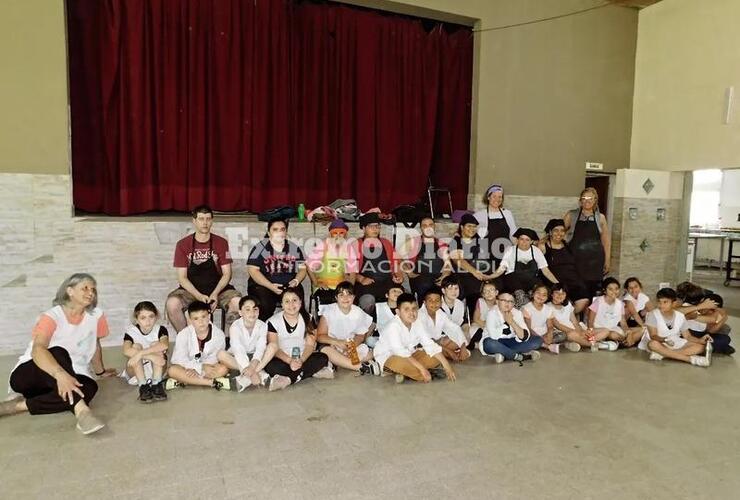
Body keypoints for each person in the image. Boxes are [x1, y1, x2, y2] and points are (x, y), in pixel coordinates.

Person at [2, 274, 116, 435]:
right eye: (85, 288)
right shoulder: (52, 316)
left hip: (71, 373)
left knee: (89, 387)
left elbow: (95, 343)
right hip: (31, 375)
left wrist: (100, 372)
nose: (91, 292)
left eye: (93, 289)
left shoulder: (96, 315)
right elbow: (38, 349)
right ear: (70, 291)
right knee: (58, 352)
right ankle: (82, 412)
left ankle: (19, 405)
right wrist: (60, 375)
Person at [166, 205, 242, 335]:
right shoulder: (182, 244)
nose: (205, 223)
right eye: (201, 219)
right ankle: (186, 339)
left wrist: (215, 294)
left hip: (219, 288)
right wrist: (198, 296)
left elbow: (227, 274)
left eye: (208, 219)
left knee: (237, 302)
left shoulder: (222, 243)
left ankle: (228, 342)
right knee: (172, 304)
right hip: (190, 290)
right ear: (194, 221)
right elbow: (182, 278)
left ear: (212, 220)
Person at [372, 293, 456, 383]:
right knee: (402, 365)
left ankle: (406, 374)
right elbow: (400, 351)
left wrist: (447, 366)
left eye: (414, 309)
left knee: (435, 358)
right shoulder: (393, 326)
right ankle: (421, 373)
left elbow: (429, 344)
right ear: (398, 312)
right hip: (389, 357)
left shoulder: (417, 322)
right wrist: (422, 369)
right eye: (406, 309)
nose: (412, 313)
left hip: (410, 355)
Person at [263, 288, 332, 391]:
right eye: (287, 301)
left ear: (300, 302)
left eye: (294, 300)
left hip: (303, 357)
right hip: (283, 358)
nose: (291, 304)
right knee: (270, 366)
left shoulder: (308, 318)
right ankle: (308, 373)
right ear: (282, 304)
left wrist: (301, 360)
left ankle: (288, 379)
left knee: (322, 358)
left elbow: (310, 345)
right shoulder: (272, 322)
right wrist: (290, 360)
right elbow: (275, 349)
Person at [166, 301, 238, 391]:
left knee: (223, 368)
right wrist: (197, 367)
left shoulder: (219, 335)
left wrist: (202, 368)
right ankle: (211, 382)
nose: (201, 322)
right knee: (172, 370)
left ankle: (185, 381)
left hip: (208, 366)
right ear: (190, 320)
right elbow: (178, 359)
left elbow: (215, 358)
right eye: (196, 319)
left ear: (209, 316)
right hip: (190, 366)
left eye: (203, 317)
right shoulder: (183, 334)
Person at [247, 219, 307, 321]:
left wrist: (296, 281)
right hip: (263, 286)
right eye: (275, 229)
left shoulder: (293, 247)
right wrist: (270, 286)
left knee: (297, 302)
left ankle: (300, 330)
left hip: (287, 286)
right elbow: (253, 271)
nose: (279, 232)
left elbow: (302, 269)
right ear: (269, 232)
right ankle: (264, 332)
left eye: (282, 229)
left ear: (286, 232)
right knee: (265, 305)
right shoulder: (259, 248)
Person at [316, 282, 381, 375]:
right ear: (336, 298)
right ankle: (361, 367)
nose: (345, 298)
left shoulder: (358, 312)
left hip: (351, 345)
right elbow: (320, 336)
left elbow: (360, 336)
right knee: (325, 351)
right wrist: (337, 342)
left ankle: (341, 363)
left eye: (349, 294)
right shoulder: (329, 311)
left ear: (354, 297)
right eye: (341, 295)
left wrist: (351, 347)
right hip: (333, 344)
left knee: (370, 351)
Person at [216, 297, 278, 391]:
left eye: (255, 309)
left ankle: (245, 379)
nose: (252, 312)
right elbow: (238, 350)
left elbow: (260, 348)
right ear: (240, 312)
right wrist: (248, 369)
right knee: (220, 354)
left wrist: (252, 367)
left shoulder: (263, 325)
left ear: (259, 311)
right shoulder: (235, 327)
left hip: (256, 358)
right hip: (238, 357)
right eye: (247, 309)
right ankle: (260, 374)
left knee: (273, 346)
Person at [640, 288, 712, 367]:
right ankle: (691, 359)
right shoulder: (652, 315)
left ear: (674, 303)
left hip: (675, 341)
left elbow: (687, 336)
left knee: (701, 347)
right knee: (652, 344)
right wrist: (664, 339)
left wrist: (700, 340)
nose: (661, 305)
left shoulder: (680, 316)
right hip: (659, 341)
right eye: (659, 302)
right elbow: (653, 336)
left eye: (665, 302)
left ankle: (663, 354)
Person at [488, 228, 559, 306]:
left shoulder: (536, 251)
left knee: (537, 294)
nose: (524, 242)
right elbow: (501, 269)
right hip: (514, 281)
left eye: (527, 240)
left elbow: (546, 271)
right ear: (517, 240)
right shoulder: (510, 250)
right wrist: (490, 276)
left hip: (531, 281)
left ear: (531, 241)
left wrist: (558, 283)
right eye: (521, 239)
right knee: (521, 297)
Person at [562, 188, 611, 299]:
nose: (587, 201)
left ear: (595, 200)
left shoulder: (601, 218)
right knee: (576, 293)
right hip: (575, 262)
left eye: (590, 198)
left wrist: (607, 260)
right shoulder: (571, 215)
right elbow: (558, 232)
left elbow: (606, 241)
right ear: (580, 200)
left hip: (595, 264)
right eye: (584, 198)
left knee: (593, 295)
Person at [354, 212, 404, 316]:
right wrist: (361, 279)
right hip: (366, 284)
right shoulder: (356, 244)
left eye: (377, 226)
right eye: (371, 226)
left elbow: (396, 263)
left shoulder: (386, 243)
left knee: (403, 300)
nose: (375, 229)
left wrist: (398, 275)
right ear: (363, 228)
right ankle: (371, 326)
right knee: (367, 302)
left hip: (388, 282)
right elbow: (350, 270)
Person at [121, 301, 170, 403]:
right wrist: (151, 356)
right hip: (137, 371)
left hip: (157, 368)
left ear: (156, 317)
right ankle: (143, 386)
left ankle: (157, 383)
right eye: (143, 318)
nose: (148, 321)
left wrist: (140, 354)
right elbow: (126, 351)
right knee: (135, 346)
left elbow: (164, 345)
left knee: (156, 345)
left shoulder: (160, 329)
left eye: (151, 316)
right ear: (136, 320)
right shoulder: (131, 332)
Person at [538, 219, 590, 314]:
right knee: (560, 298)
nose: (559, 233)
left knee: (584, 300)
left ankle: (566, 317)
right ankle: (561, 319)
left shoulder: (567, 244)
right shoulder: (543, 246)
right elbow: (542, 268)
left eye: (562, 230)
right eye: (556, 230)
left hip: (573, 281)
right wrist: (557, 284)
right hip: (554, 282)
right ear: (550, 232)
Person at [306, 219, 360, 308]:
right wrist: (316, 283)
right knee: (327, 304)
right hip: (323, 285)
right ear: (330, 234)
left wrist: (350, 289)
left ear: (345, 234)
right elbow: (308, 265)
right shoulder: (323, 245)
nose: (338, 236)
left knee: (346, 303)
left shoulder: (349, 248)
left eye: (341, 233)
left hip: (340, 286)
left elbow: (352, 272)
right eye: (335, 233)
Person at [450, 213, 496, 314]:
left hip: (479, 273)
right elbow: (457, 260)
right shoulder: (456, 241)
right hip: (461, 274)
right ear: (462, 227)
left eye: (474, 226)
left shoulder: (479, 241)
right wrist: (474, 272)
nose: (472, 229)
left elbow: (485, 259)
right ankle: (472, 318)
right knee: (473, 288)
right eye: (469, 226)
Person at [400, 215, 452, 303]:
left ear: (434, 226)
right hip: (420, 278)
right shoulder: (413, 241)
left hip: (438, 278)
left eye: (430, 225)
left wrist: (445, 276)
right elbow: (397, 257)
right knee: (425, 284)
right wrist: (409, 272)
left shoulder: (441, 244)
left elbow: (448, 265)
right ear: (421, 228)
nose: (428, 227)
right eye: (424, 225)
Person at [478, 292, 542, 364]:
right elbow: (494, 336)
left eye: (510, 301)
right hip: (496, 341)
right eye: (504, 300)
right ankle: (521, 356)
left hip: (512, 341)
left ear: (514, 304)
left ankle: (504, 354)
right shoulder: (491, 313)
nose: (507, 303)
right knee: (489, 343)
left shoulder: (517, 313)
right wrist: (506, 324)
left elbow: (524, 336)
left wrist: (512, 322)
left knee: (537, 340)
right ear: (497, 301)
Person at [675, 281, 734, 355]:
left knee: (725, 334)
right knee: (723, 338)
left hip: (700, 334)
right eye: (702, 300)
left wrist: (722, 316)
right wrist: (702, 306)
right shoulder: (687, 307)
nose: (703, 301)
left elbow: (711, 325)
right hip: (689, 335)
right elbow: (711, 321)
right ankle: (710, 348)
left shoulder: (694, 307)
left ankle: (713, 347)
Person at [587, 277, 642, 350]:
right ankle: (624, 342)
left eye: (616, 289)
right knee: (613, 335)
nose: (614, 291)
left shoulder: (620, 304)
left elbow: (623, 322)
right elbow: (590, 321)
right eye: (610, 289)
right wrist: (591, 334)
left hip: (614, 328)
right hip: (599, 330)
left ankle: (623, 342)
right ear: (604, 291)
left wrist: (628, 332)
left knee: (642, 329)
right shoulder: (598, 301)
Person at [418, 287, 470, 362]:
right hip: (423, 345)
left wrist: (463, 347)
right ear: (424, 302)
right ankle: (445, 355)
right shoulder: (420, 315)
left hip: (438, 342)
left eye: (437, 300)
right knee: (428, 352)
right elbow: (425, 340)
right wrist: (449, 351)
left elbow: (454, 328)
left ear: (441, 302)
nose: (434, 303)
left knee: (459, 338)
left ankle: (444, 355)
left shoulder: (440, 313)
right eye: (430, 300)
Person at [473, 184, 518, 270]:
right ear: (488, 197)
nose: (497, 199)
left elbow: (513, 234)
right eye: (494, 196)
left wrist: (518, 250)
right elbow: (467, 230)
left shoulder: (507, 213)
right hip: (487, 257)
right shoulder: (479, 215)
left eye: (500, 197)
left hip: (505, 256)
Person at [522, 283, 563, 354]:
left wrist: (549, 334)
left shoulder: (548, 309)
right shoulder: (527, 308)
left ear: (547, 298)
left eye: (544, 295)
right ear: (532, 294)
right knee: (527, 338)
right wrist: (541, 338)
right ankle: (548, 346)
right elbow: (528, 328)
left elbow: (550, 326)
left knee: (563, 335)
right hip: (532, 334)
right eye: (538, 293)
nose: (541, 296)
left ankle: (544, 344)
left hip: (545, 333)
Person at [468, 281, 498, 349]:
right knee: (471, 332)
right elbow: (476, 319)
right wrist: (487, 327)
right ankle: (477, 345)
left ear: (496, 292)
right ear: (483, 295)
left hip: (494, 328)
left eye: (491, 290)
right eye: (486, 291)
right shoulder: (480, 301)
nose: (489, 293)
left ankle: (479, 345)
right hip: (481, 326)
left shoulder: (499, 303)